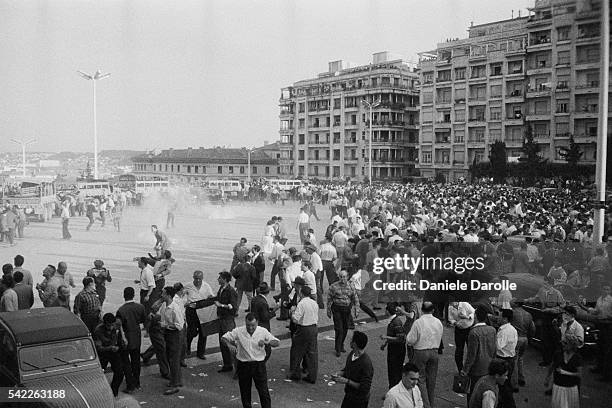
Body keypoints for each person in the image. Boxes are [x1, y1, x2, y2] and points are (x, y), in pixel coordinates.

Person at [221, 313, 280, 408]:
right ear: (245, 323)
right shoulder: (239, 331)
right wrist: (229, 345)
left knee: (263, 391)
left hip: (259, 365)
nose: (250, 328)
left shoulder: (263, 331)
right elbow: (224, 338)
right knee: (245, 391)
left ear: (257, 322)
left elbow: (277, 342)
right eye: (248, 325)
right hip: (243, 365)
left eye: (253, 325)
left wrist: (266, 342)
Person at [405, 301, 443, 408]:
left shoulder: (418, 322)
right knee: (431, 380)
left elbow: (410, 340)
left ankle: (426, 405)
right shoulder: (438, 322)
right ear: (433, 310)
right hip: (434, 352)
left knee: (420, 380)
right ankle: (431, 403)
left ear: (421, 310)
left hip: (420, 352)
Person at [462, 307, 497, 402]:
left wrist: (465, 370)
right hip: (489, 367)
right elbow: (495, 350)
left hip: (476, 369)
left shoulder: (473, 332)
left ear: (476, 317)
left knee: (473, 395)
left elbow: (471, 355)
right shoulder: (492, 330)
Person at [116, 287, 146, 392]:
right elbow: (143, 320)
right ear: (133, 295)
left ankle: (130, 385)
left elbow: (119, 325)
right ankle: (137, 382)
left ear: (124, 295)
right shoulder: (140, 307)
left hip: (126, 336)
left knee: (126, 362)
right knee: (136, 360)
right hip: (136, 335)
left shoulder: (121, 310)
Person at [332, 331, 374, 408]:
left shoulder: (366, 364)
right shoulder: (352, 354)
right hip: (349, 396)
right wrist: (339, 373)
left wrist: (346, 381)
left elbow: (364, 388)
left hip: (359, 401)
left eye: (352, 340)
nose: (350, 341)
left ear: (355, 344)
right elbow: (347, 369)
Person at [94, 313, 131, 397]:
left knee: (119, 373)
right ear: (105, 323)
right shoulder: (98, 331)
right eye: (109, 325)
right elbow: (99, 347)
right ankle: (100, 393)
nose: (111, 327)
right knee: (100, 374)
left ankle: (114, 392)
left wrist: (123, 337)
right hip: (103, 353)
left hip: (114, 352)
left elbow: (120, 325)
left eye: (112, 325)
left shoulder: (116, 324)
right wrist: (110, 348)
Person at [380, 302, 414, 389]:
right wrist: (385, 344)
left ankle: (395, 390)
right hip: (393, 348)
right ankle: (392, 389)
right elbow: (393, 335)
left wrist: (386, 337)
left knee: (395, 371)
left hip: (397, 350)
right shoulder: (393, 320)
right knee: (391, 370)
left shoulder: (396, 322)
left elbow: (400, 338)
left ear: (388, 311)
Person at [289, 286, 319, 383]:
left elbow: (295, 319)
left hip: (303, 329)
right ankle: (312, 376)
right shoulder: (314, 303)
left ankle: (295, 373)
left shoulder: (301, 304)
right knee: (312, 353)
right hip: (314, 328)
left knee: (296, 351)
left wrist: (292, 312)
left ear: (301, 293)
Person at [158, 286, 185, 395]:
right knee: (171, 358)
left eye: (163, 293)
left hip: (174, 335)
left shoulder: (175, 308)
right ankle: (176, 380)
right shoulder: (165, 305)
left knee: (173, 359)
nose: (162, 295)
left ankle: (174, 384)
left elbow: (179, 326)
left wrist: (166, 325)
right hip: (168, 333)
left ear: (169, 295)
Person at [183, 270, 215, 359]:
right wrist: (184, 303)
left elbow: (211, 296)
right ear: (193, 277)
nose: (197, 281)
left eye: (199, 279)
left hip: (203, 311)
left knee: (203, 332)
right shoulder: (188, 286)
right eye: (196, 278)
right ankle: (187, 346)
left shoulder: (206, 286)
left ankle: (201, 353)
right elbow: (180, 295)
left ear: (202, 278)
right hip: (191, 311)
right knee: (191, 331)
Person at [327, 270, 359, 357]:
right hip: (337, 309)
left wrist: (357, 309)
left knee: (345, 328)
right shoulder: (334, 286)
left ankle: (341, 344)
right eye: (341, 277)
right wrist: (328, 311)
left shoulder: (351, 286)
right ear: (339, 277)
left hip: (346, 310)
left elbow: (355, 297)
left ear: (347, 277)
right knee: (339, 329)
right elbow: (329, 298)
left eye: (344, 277)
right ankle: (337, 348)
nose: (342, 279)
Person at [545, 335, 582, 408]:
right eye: (562, 342)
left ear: (572, 344)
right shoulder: (558, 354)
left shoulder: (577, 358)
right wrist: (547, 377)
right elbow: (552, 366)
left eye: (565, 343)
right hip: (558, 386)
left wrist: (565, 372)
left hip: (570, 388)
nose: (562, 344)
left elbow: (579, 374)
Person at [215, 271, 238, 373]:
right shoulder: (222, 289)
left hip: (227, 320)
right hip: (221, 318)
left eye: (220, 278)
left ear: (224, 279)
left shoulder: (231, 291)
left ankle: (237, 366)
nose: (218, 279)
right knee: (222, 342)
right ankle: (227, 364)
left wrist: (221, 305)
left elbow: (233, 308)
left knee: (229, 343)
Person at [495, 308, 518, 408]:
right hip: (510, 359)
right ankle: (501, 405)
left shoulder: (503, 331)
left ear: (505, 318)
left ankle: (511, 405)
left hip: (503, 359)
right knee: (505, 384)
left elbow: (498, 346)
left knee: (504, 386)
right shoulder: (512, 329)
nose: (498, 318)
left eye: (500, 316)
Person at [251, 282, 278, 361]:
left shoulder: (254, 299)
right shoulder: (263, 302)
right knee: (267, 350)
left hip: (255, 325)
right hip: (263, 326)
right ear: (268, 292)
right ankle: (260, 365)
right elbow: (265, 317)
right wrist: (275, 310)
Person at [510, 299, 535, 387]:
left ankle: (514, 384)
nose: (510, 301)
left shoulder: (512, 313)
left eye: (513, 300)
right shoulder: (528, 314)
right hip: (525, 339)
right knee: (520, 359)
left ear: (516, 303)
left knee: (514, 360)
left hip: (516, 339)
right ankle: (521, 378)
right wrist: (530, 338)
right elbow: (532, 328)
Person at [448, 299, 475, 373]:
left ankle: (471, 368)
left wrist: (467, 317)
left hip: (469, 329)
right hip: (459, 330)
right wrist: (454, 323)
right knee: (459, 350)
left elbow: (473, 312)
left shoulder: (464, 304)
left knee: (471, 348)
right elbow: (450, 319)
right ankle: (460, 369)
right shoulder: (450, 308)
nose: (452, 304)